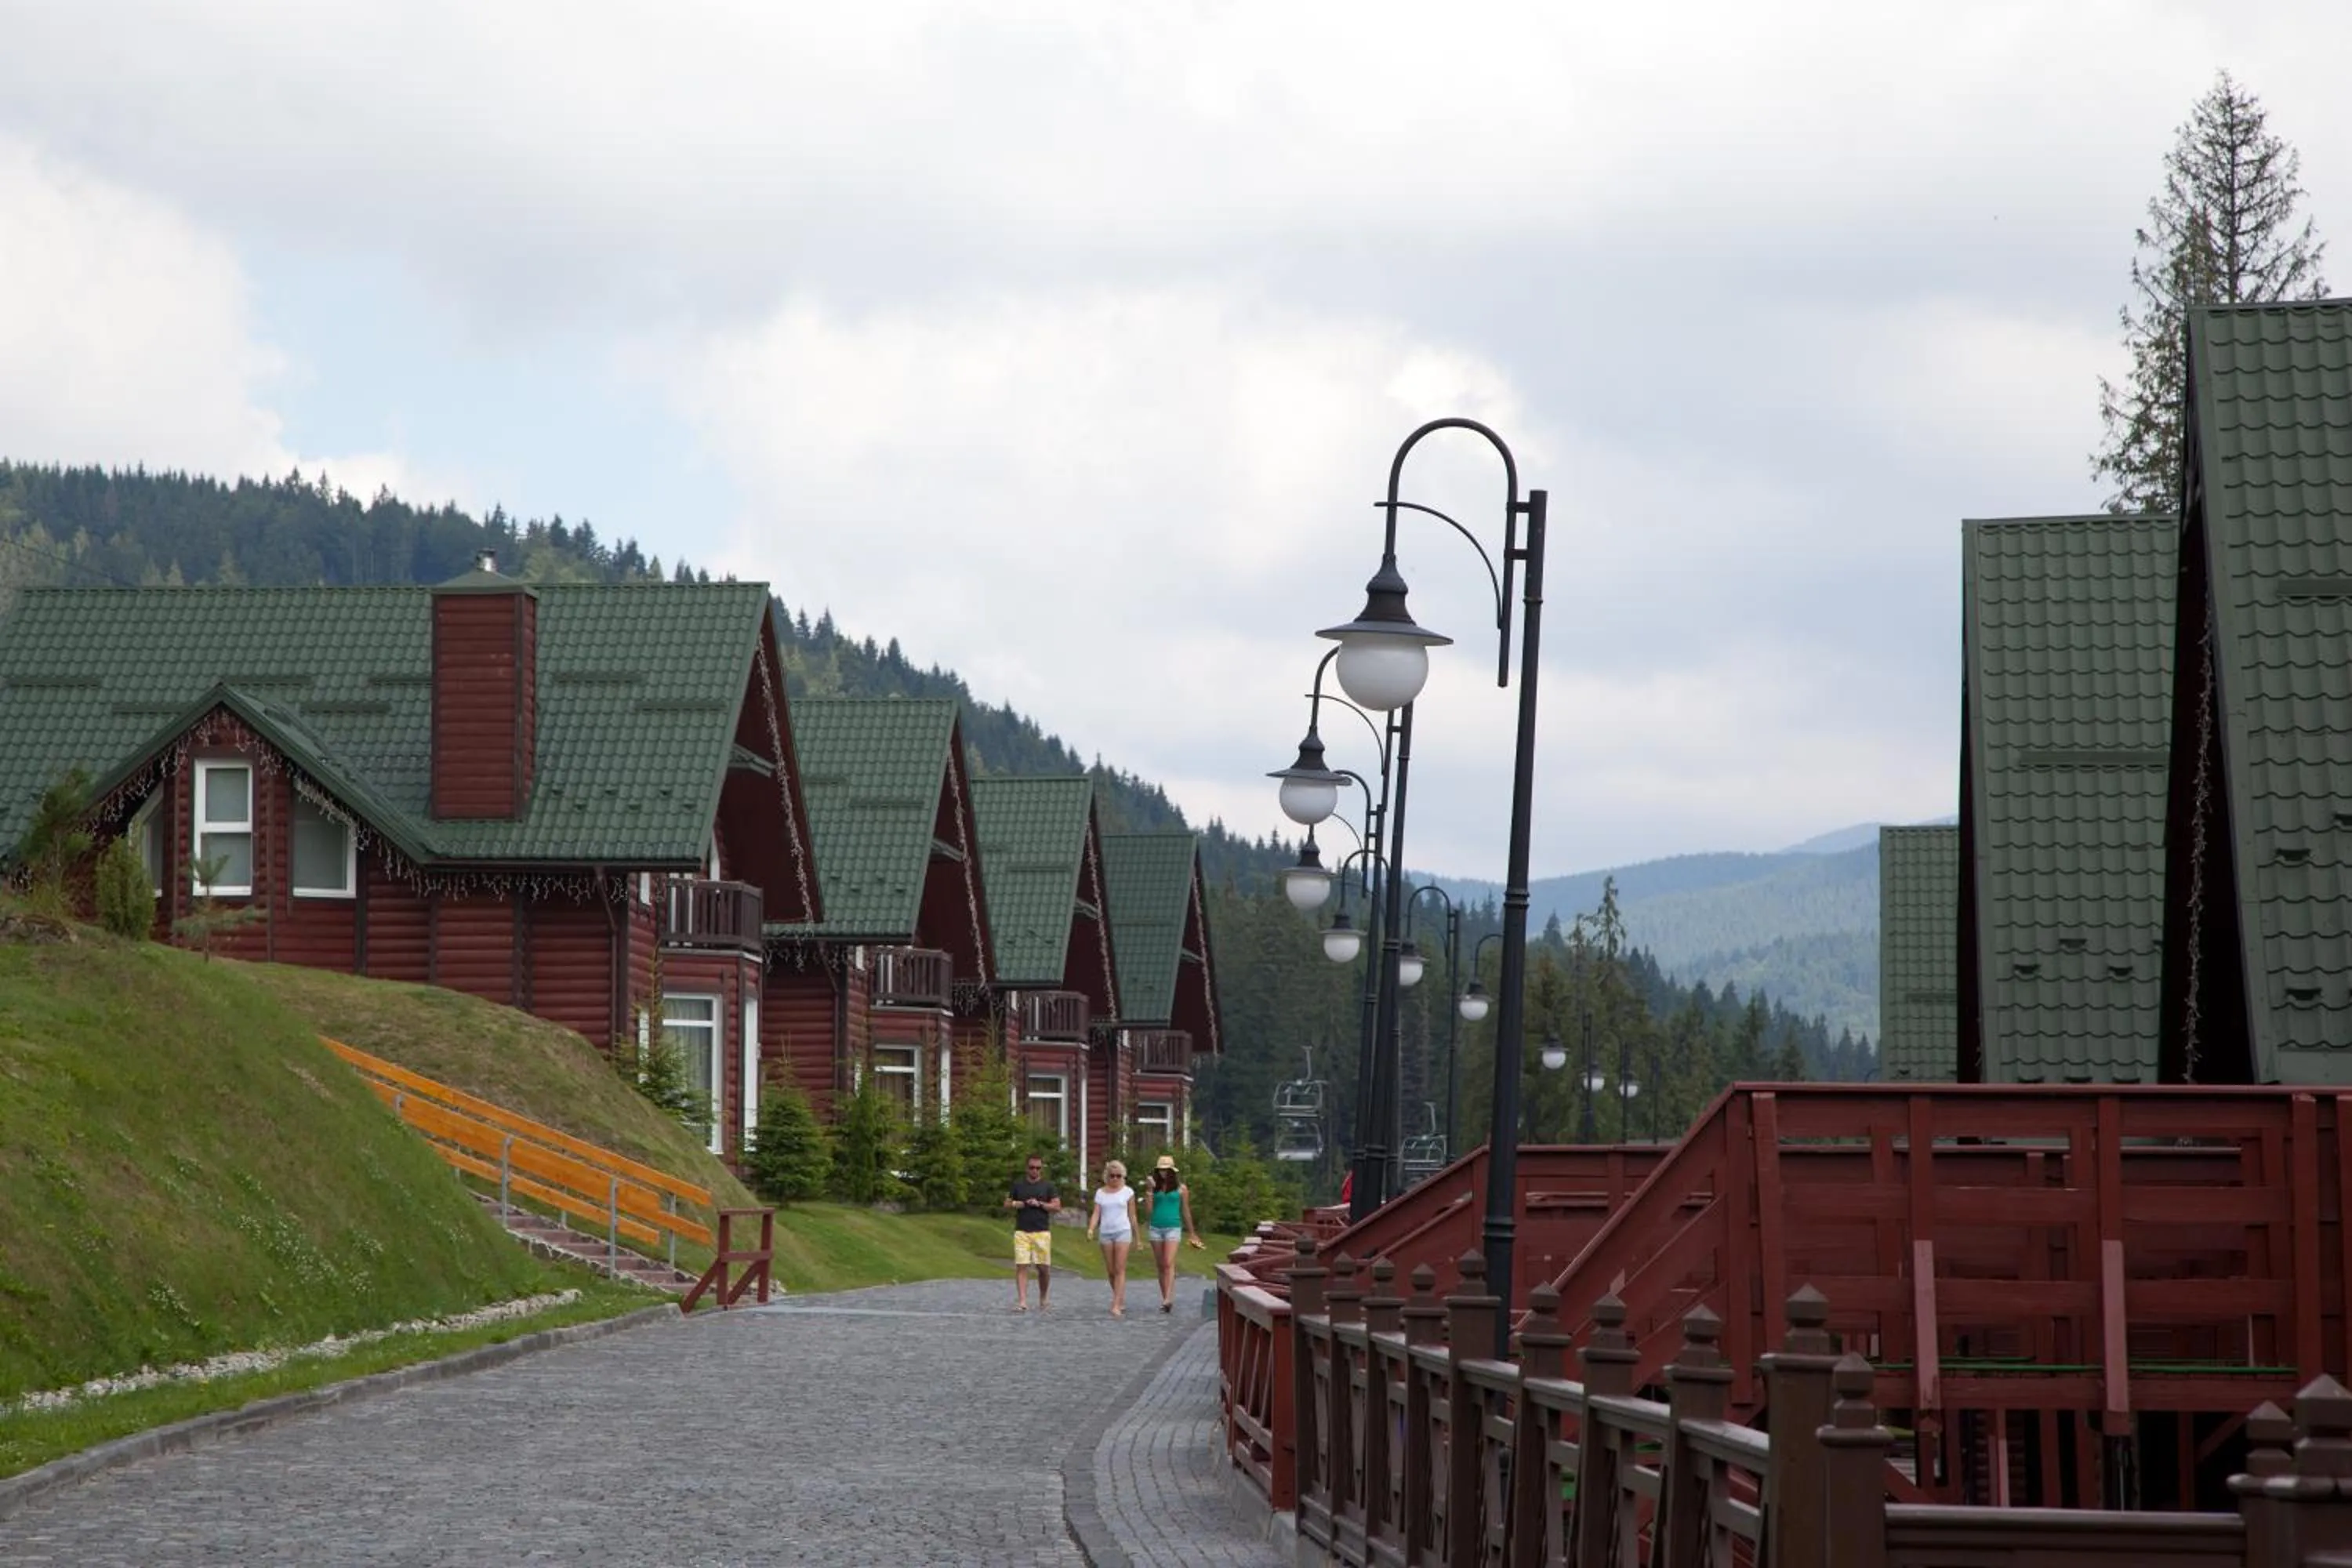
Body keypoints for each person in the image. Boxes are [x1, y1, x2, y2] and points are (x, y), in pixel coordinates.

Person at [1144, 1154, 1204, 1314]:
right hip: (1156, 1227)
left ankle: (1169, 1297)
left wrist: (1192, 1232)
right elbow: (1148, 1212)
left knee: (1168, 1262)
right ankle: (1166, 1298)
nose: (1164, 1172)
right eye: (1161, 1170)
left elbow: (1185, 1210)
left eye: (1166, 1170)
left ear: (1172, 1171)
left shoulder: (1181, 1189)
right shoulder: (1154, 1187)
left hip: (1173, 1227)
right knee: (1160, 1265)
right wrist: (1149, 1191)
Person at [1004, 1154, 1061, 1312]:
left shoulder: (1048, 1186)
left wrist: (1040, 1204)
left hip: (1041, 1231)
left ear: (1041, 1169)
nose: (1035, 1170)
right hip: (1022, 1230)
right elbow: (1007, 1203)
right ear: (1026, 1168)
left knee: (1043, 1268)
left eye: (1038, 1168)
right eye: (1032, 1168)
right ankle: (1022, 1301)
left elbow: (1057, 1206)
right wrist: (1017, 1204)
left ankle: (1043, 1297)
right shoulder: (1018, 1185)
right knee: (1022, 1265)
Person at [1086, 1160, 1139, 1317]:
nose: (1115, 1178)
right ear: (1107, 1176)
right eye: (1112, 1176)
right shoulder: (1100, 1193)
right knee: (1111, 1270)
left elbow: (1132, 1215)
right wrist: (1091, 1228)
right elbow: (1096, 1213)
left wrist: (1138, 1237)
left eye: (1118, 1176)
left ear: (1123, 1176)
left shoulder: (1128, 1192)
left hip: (1123, 1231)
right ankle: (1119, 1297)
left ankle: (1116, 1304)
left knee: (1119, 1268)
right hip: (1106, 1232)